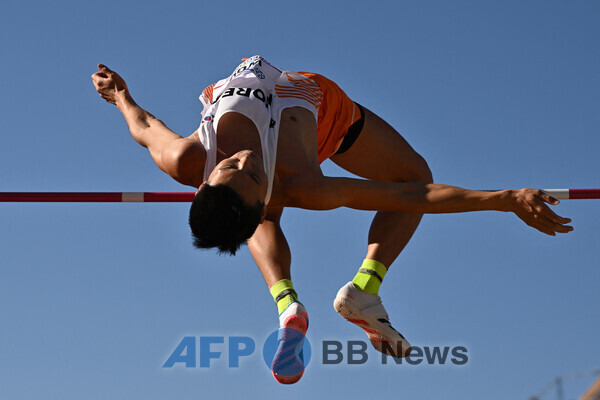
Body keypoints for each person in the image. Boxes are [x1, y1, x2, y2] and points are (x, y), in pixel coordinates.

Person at [91, 56, 573, 384]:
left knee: (254, 214)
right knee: (413, 171)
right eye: (252, 173)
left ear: (203, 182)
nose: (241, 158)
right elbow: (414, 193)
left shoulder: (185, 158)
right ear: (265, 193)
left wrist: (119, 97)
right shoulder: (301, 181)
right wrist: (504, 198)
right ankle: (352, 289)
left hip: (284, 139)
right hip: (321, 118)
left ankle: (296, 305)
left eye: (230, 168)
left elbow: (145, 128)